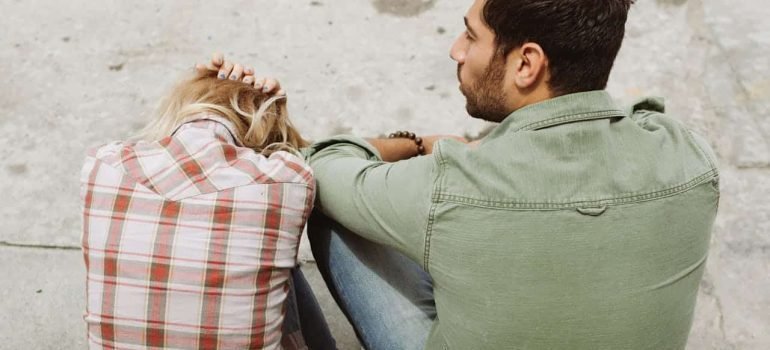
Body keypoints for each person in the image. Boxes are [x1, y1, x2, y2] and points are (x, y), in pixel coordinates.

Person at [211, 0, 720, 348]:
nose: (456, 49)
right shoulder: (691, 157)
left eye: (471, 36)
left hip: (445, 204)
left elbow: (320, 163)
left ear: (527, 64)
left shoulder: (453, 182)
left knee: (340, 214)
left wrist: (419, 144)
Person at [80, 69, 335, 349]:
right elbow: (301, 160)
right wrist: (274, 108)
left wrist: (201, 84)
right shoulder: (288, 181)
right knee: (274, 257)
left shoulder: (103, 166)